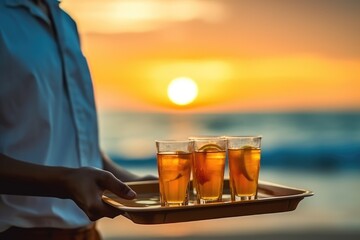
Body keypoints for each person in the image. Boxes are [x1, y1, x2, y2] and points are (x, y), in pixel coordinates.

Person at [0, 0, 154, 239]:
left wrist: (134, 183)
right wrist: (64, 182)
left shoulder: (66, 22)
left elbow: (75, 143)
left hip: (87, 234)